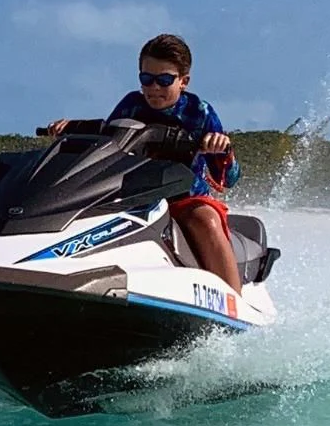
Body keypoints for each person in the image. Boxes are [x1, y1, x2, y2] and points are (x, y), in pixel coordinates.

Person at [47, 33, 242, 293]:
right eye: (146, 79)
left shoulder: (200, 112)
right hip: (132, 194)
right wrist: (70, 130)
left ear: (183, 81)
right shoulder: (131, 104)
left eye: (164, 80)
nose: (154, 88)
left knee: (205, 219)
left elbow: (228, 179)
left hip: (183, 198)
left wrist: (222, 149)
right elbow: (107, 144)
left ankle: (233, 298)